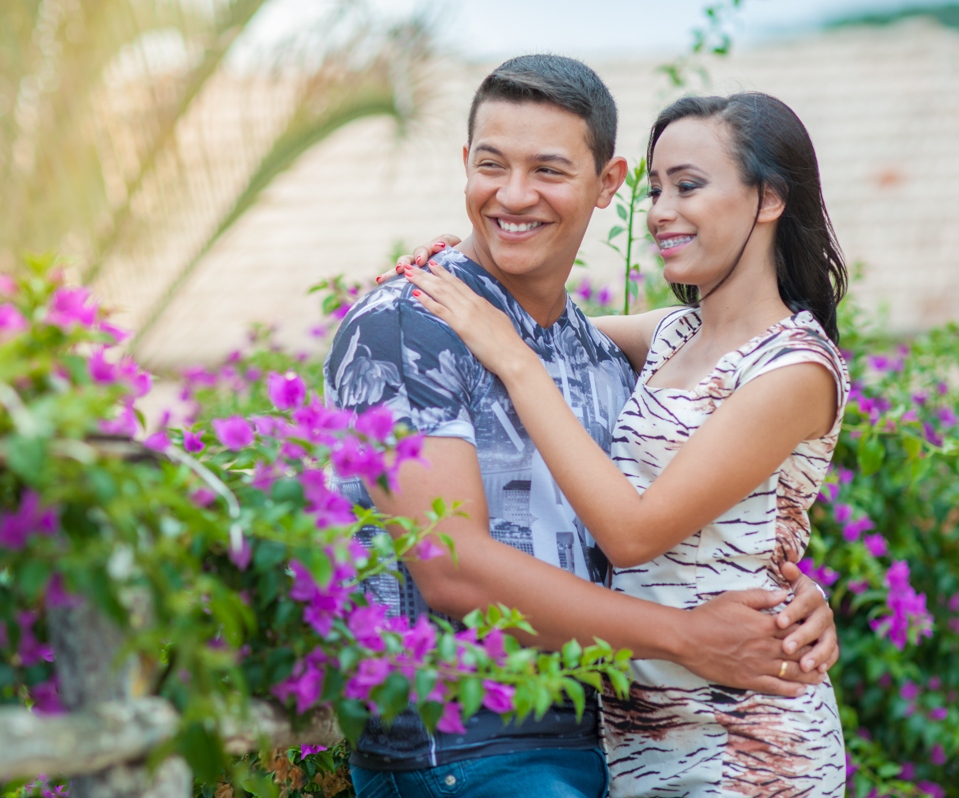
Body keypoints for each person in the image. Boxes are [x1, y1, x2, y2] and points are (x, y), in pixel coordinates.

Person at [324, 55, 839, 798]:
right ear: (465, 165)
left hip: (654, 736)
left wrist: (784, 592)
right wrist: (690, 635)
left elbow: (662, 518)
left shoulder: (610, 357)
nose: (513, 194)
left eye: (548, 170)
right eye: (491, 166)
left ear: (605, 185)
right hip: (469, 753)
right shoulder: (419, 324)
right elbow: (449, 562)